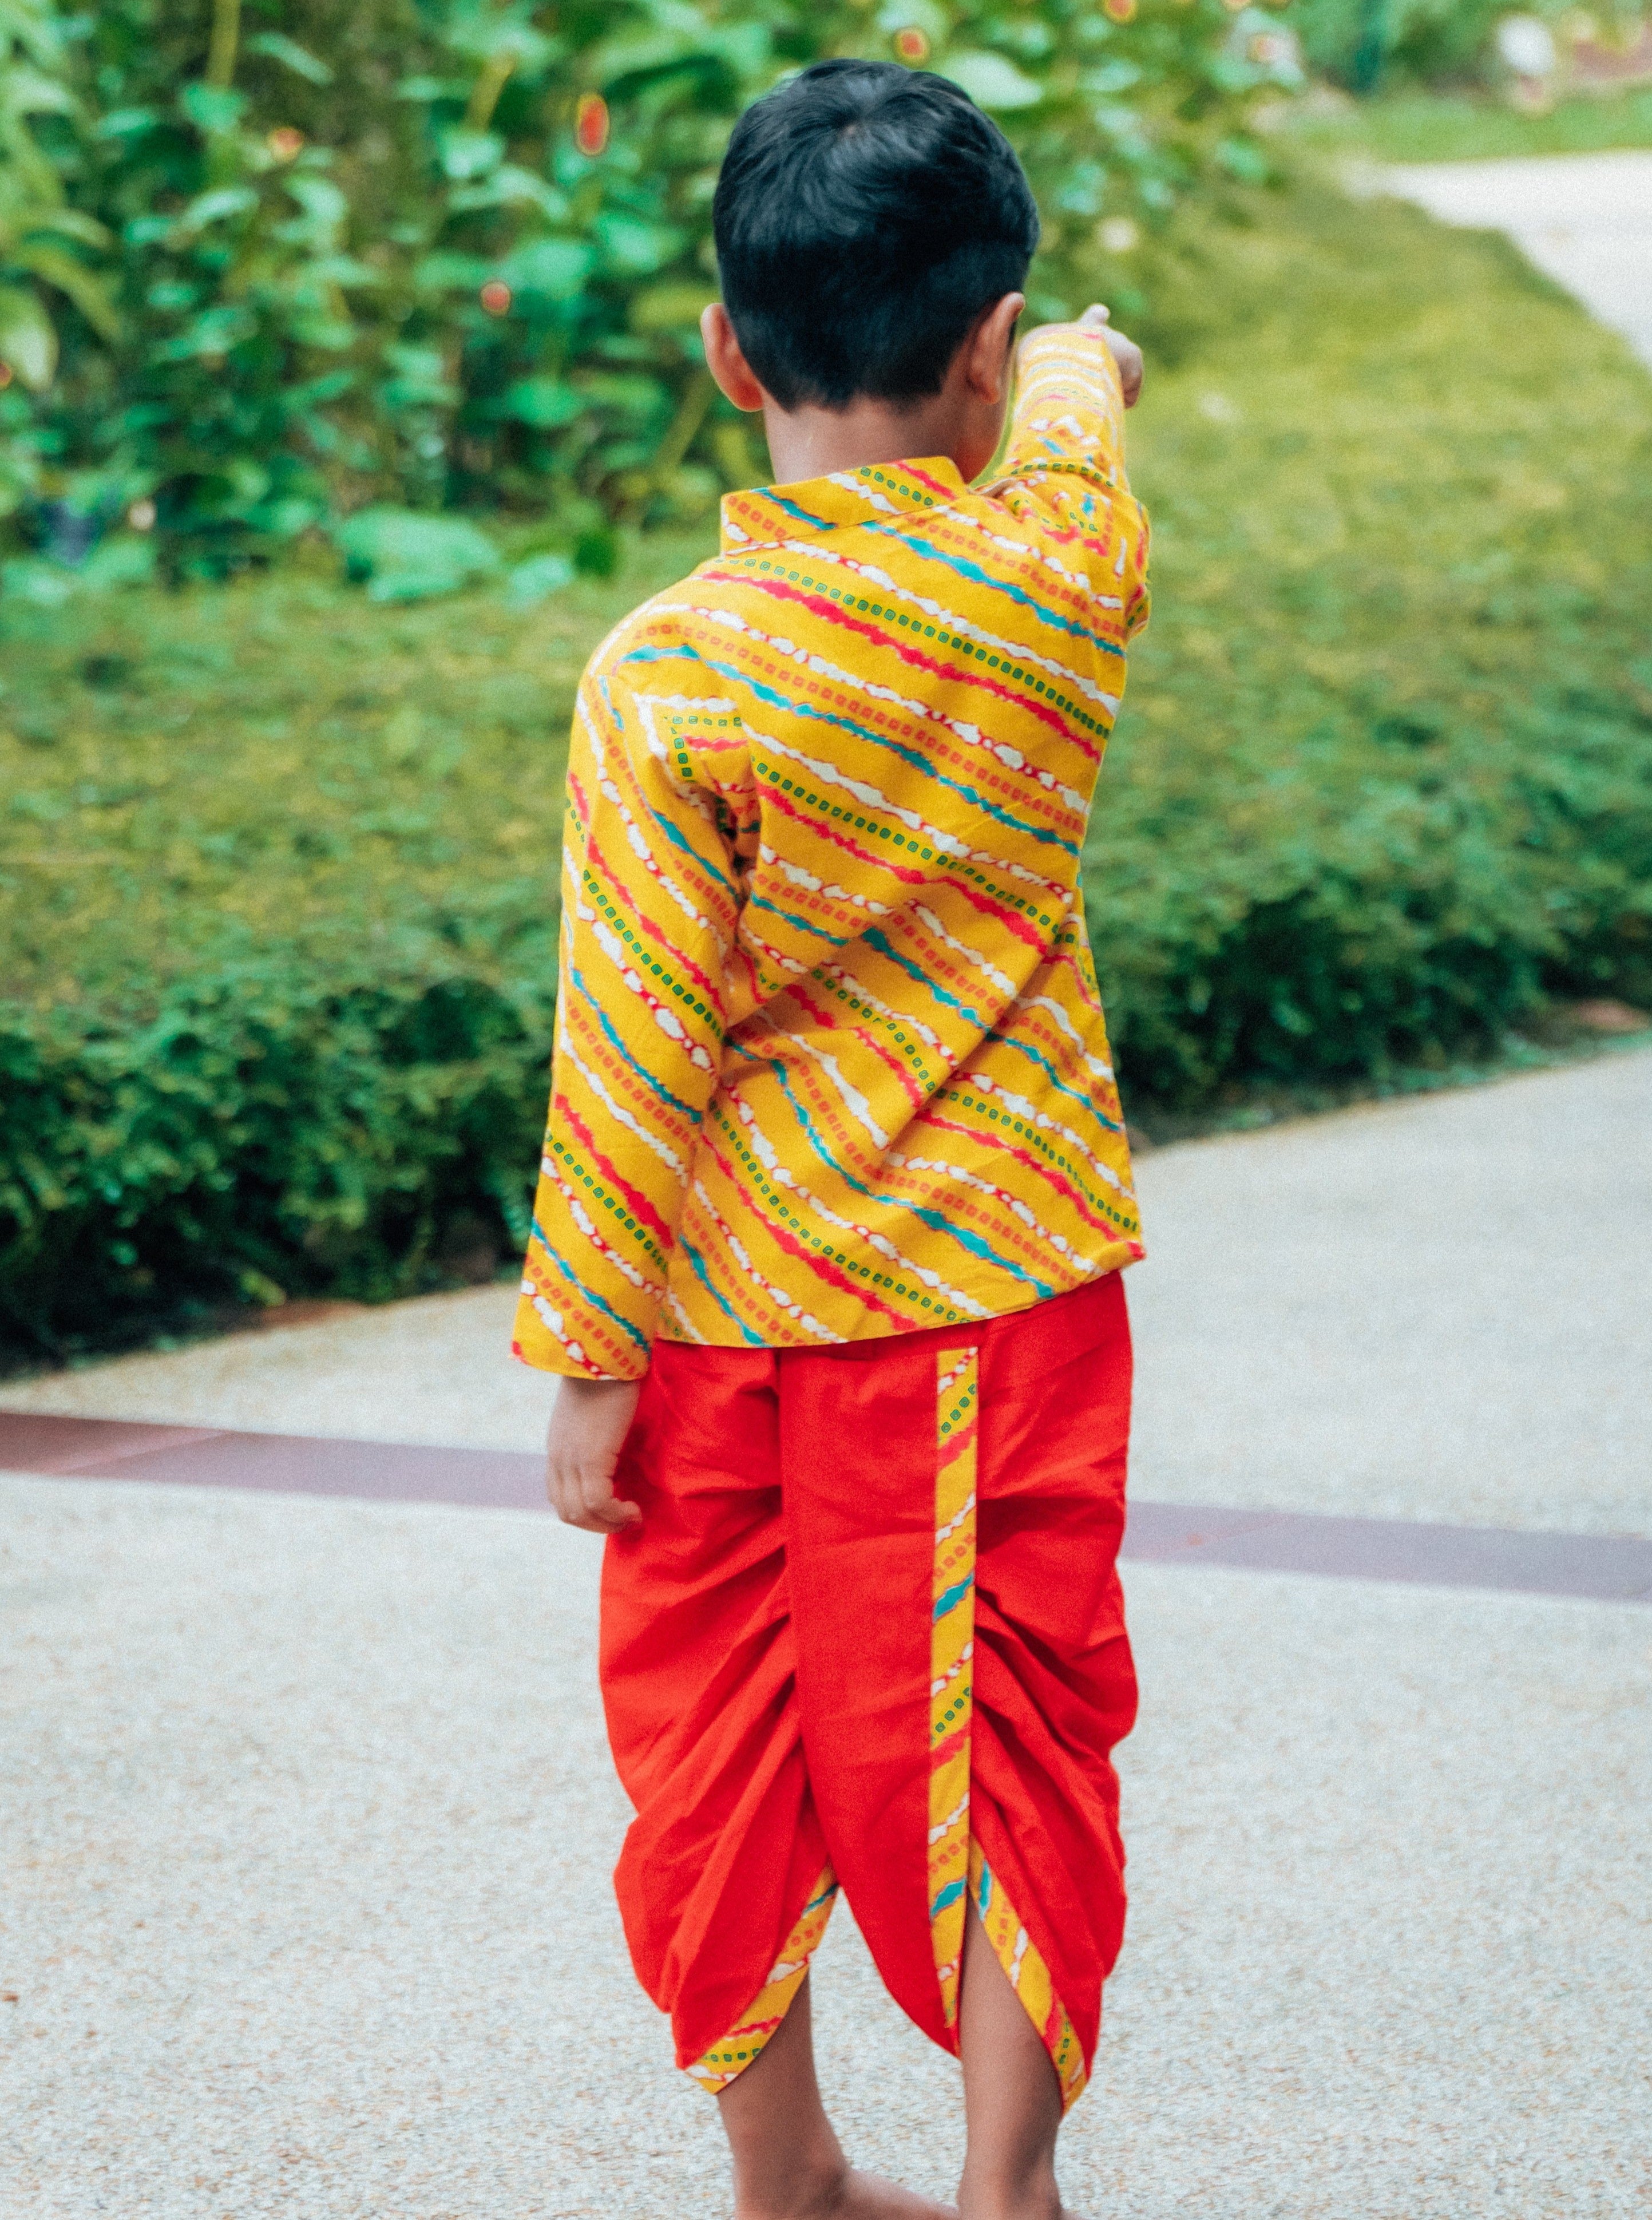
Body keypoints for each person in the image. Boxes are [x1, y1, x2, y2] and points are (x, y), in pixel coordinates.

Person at [513, 57, 1150, 2220]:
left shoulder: (669, 678)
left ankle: (783, 2176)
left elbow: (630, 1051)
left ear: (724, 351)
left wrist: (591, 1355)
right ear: (978, 360)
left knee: (716, 1738)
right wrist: (1070, 361)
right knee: (1005, 1729)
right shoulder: (1056, 578)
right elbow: (1073, 417)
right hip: (1009, 1285)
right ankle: (1003, 2188)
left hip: (723, 1318)